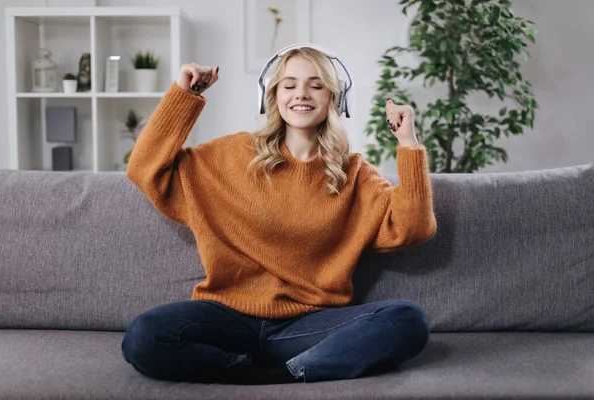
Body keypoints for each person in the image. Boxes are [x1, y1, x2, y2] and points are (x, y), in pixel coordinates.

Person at [121, 44, 437, 385]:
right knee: (145, 336)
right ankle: (250, 373)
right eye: (289, 85)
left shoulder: (356, 174)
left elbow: (413, 228)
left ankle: (287, 373)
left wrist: (408, 143)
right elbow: (144, 169)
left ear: (335, 98)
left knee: (407, 319)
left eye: (316, 85)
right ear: (272, 96)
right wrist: (185, 94)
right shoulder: (232, 154)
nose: (301, 93)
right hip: (228, 316)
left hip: (307, 325)